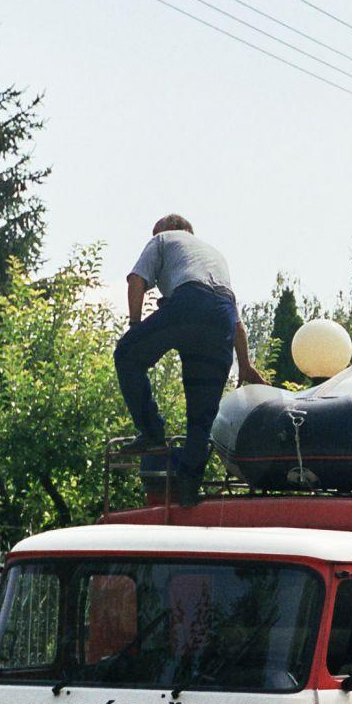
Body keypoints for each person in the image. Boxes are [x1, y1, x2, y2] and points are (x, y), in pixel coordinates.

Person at [114, 215, 263, 505]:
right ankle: (188, 489)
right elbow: (237, 323)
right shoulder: (215, 255)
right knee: (201, 416)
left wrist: (135, 328)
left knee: (127, 355)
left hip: (189, 303)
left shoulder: (163, 239)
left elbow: (136, 279)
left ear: (169, 230)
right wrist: (244, 365)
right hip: (221, 317)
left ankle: (151, 432)